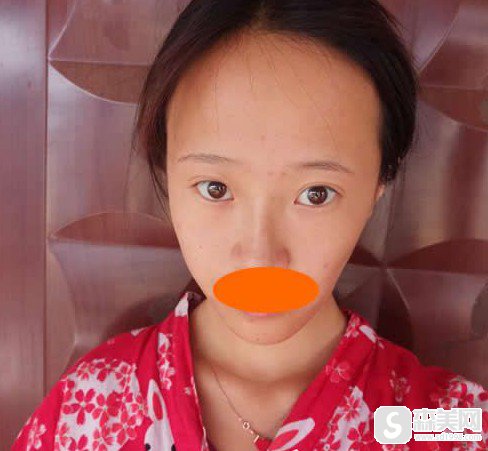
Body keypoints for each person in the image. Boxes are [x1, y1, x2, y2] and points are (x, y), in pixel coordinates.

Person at [12, 0, 487, 450]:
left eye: (316, 193)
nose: (260, 255)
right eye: (215, 188)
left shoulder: (448, 422)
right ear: (168, 175)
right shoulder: (88, 408)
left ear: (379, 185)